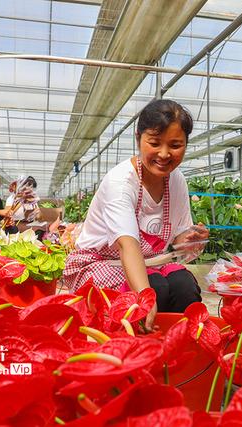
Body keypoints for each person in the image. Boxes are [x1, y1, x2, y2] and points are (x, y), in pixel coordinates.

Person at [63, 99, 208, 330]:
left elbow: (177, 238)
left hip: (152, 262)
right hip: (102, 263)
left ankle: (178, 349)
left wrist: (188, 240)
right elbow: (126, 246)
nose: (164, 154)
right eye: (154, 143)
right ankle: (138, 350)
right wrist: (143, 297)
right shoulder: (121, 182)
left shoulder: (177, 180)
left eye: (175, 145)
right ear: (138, 137)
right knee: (154, 289)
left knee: (184, 286)